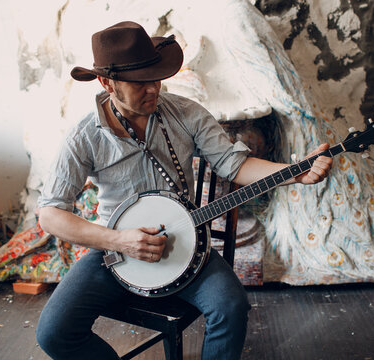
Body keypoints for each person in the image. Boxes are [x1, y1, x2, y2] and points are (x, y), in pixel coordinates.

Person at [35, 21, 332, 360]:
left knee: (231, 306)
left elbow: (234, 165)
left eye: (156, 78)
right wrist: (118, 240)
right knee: (54, 333)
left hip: (186, 245)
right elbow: (50, 213)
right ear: (107, 83)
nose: (154, 90)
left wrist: (295, 174)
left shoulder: (186, 113)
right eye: (140, 83)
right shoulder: (84, 136)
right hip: (114, 253)